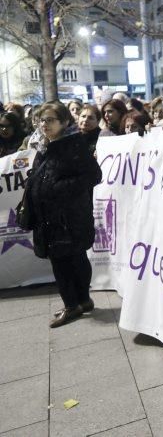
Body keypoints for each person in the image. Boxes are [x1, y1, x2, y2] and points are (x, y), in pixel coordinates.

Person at [26, 101, 102, 328]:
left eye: (50, 120)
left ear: (64, 122)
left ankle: (74, 305)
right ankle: (81, 301)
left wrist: (57, 188)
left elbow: (93, 176)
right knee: (67, 259)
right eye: (41, 120)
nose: (44, 124)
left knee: (69, 259)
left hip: (68, 217)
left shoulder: (73, 145)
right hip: (49, 216)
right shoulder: (44, 145)